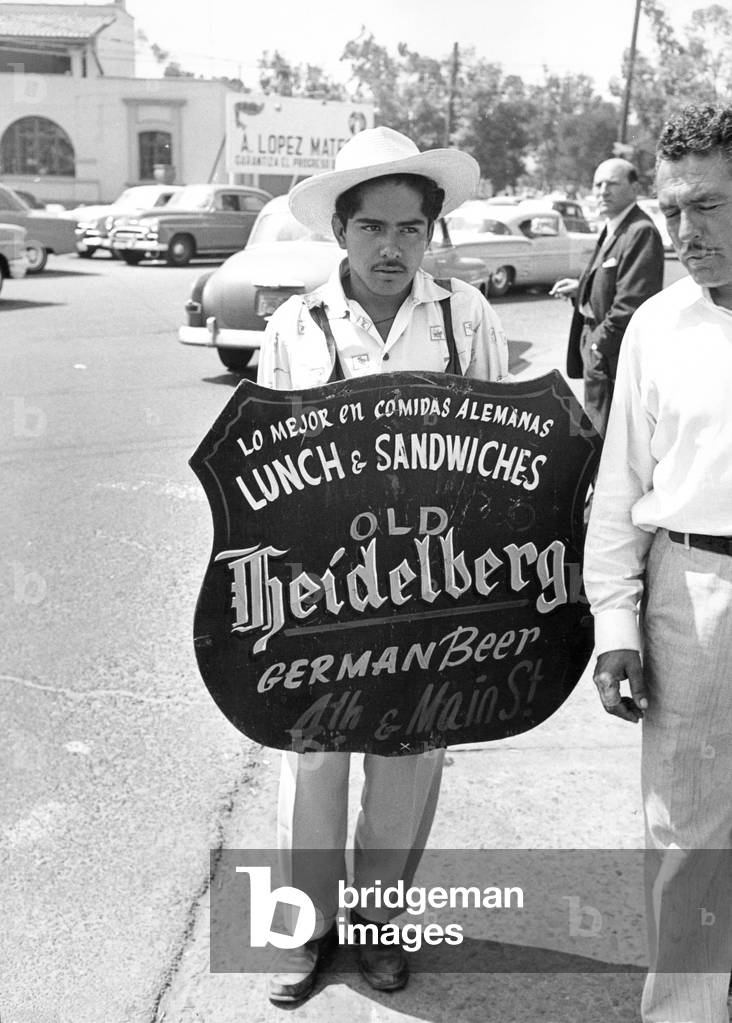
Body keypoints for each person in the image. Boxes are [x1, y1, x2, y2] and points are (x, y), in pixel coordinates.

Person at [256, 126, 509, 1004]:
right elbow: (258, 471)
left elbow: (505, 459)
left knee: (409, 753)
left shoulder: (463, 316)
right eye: (374, 228)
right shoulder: (297, 324)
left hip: (435, 592)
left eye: (411, 229)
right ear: (340, 232)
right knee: (313, 758)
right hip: (324, 590)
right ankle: (303, 932)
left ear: (432, 234)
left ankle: (380, 930)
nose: (393, 247)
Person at [584, 104, 732, 1023]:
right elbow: (619, 488)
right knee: (688, 830)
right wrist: (616, 625)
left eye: (709, 207)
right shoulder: (655, 327)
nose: (685, 233)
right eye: (673, 210)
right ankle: (686, 1009)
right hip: (691, 593)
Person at [551, 157, 665, 436]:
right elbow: (613, 281)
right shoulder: (615, 225)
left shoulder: (640, 231)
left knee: (607, 439)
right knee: (595, 430)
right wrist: (582, 289)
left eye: (612, 183)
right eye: (598, 184)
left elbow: (631, 304)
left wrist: (597, 347)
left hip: (611, 355)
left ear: (635, 188)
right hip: (599, 349)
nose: (602, 191)